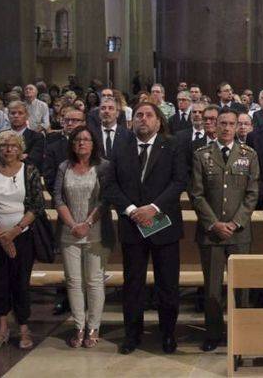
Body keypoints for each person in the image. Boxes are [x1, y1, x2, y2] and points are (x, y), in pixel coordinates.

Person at [102, 101, 188, 355]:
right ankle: (132, 334)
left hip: (164, 224)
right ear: (132, 121)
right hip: (132, 225)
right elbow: (110, 185)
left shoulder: (172, 145)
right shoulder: (121, 146)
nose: (143, 119)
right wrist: (131, 210)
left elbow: (179, 181)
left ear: (158, 122)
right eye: (139, 115)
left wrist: (153, 207)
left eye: (149, 115)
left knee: (168, 285)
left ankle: (168, 334)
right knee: (133, 284)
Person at [189, 108, 259, 351]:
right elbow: (196, 194)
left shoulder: (249, 154)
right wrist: (214, 224)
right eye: (223, 123)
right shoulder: (201, 155)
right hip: (211, 233)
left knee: (242, 288)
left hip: (239, 233)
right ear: (215, 126)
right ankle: (213, 334)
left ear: (239, 126)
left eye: (232, 123)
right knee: (212, 290)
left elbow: (252, 193)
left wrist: (235, 222)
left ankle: (241, 334)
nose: (227, 128)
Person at [53, 126, 114, 348]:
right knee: (74, 281)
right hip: (70, 233)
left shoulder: (103, 166)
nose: (81, 143)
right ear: (72, 143)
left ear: (94, 144)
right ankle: (79, 326)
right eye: (77, 139)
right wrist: (72, 225)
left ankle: (93, 327)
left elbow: (105, 200)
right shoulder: (64, 166)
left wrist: (87, 223)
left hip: (96, 232)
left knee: (94, 282)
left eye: (86, 139)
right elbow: (58, 198)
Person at [0, 131, 45, 350]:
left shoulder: (29, 171)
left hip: (23, 236)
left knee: (20, 283)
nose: (8, 149)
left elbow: (36, 206)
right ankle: (2, 329)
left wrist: (14, 232)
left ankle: (23, 327)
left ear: (20, 149)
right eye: (4, 146)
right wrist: (1, 236)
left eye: (13, 145)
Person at [7, 101, 46, 172]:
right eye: (13, 113)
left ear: (27, 116)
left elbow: (34, 160)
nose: (16, 116)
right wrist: (21, 156)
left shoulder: (37, 137)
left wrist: (7, 157)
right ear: (8, 115)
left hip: (27, 175)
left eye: (20, 113)